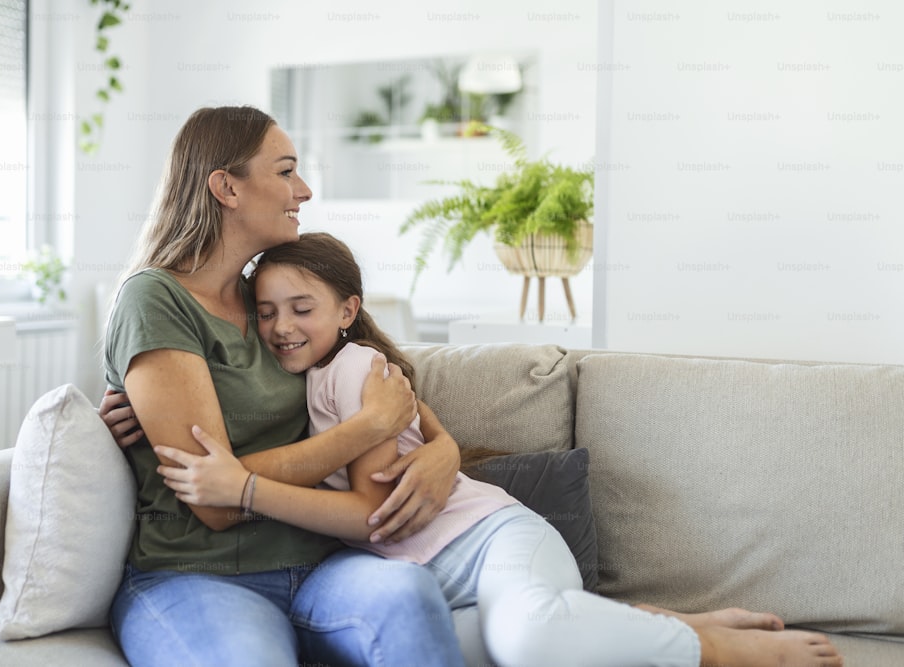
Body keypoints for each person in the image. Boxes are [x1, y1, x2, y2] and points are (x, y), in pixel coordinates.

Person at [111, 231, 843, 667]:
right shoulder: (290, 373)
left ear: (348, 310)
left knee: (526, 636)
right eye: (266, 313)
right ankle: (664, 618)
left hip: (489, 542)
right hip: (434, 575)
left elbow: (372, 511)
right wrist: (143, 419)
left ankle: (722, 651)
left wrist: (240, 488)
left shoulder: (360, 371)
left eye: (302, 309)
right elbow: (203, 390)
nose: (280, 327)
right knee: (499, 641)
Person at [102, 105, 467, 667]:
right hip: (198, 575)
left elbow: (381, 384)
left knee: (409, 597)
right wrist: (368, 428)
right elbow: (214, 500)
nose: (305, 190)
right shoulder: (155, 300)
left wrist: (444, 449)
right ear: (226, 187)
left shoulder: (270, 302)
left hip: (323, 564)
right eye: (285, 171)